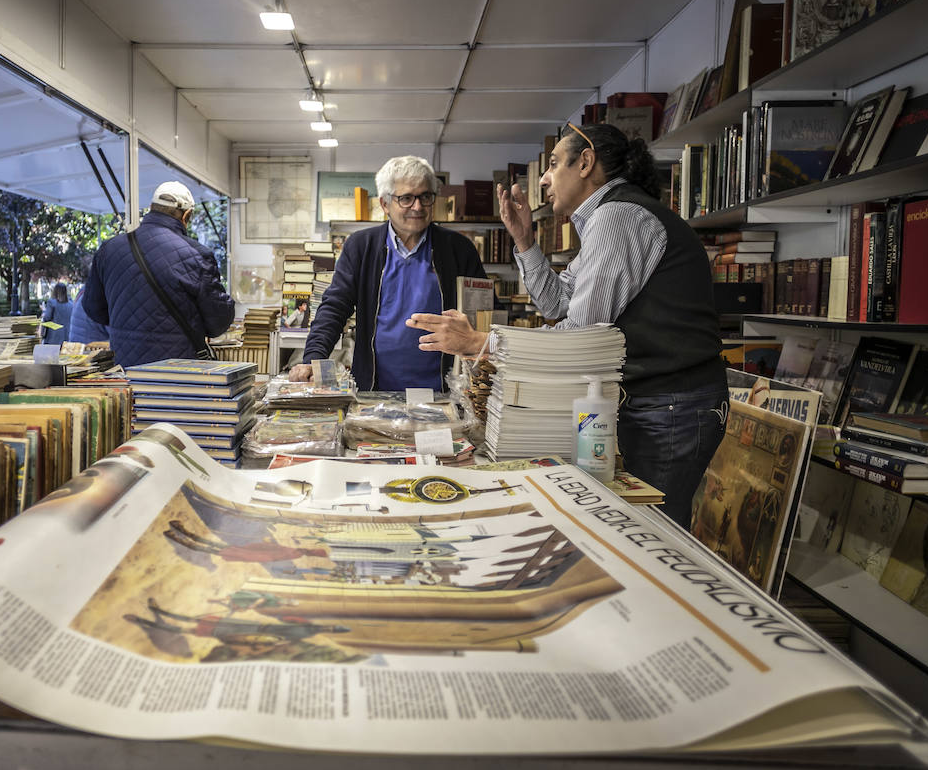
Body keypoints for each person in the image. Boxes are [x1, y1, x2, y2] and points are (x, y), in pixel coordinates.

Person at [408, 123, 728, 529]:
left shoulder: (619, 217)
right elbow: (556, 304)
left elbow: (581, 334)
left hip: (671, 404)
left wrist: (481, 342)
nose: (544, 177)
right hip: (657, 401)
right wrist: (524, 240)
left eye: (555, 163)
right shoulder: (605, 219)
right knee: (638, 523)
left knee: (655, 530)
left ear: (586, 163)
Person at [289, 155, 488, 391]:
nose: (417, 206)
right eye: (406, 198)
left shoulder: (458, 248)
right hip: (375, 390)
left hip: (445, 392)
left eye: (425, 197)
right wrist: (313, 357)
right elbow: (335, 306)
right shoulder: (361, 246)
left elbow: (484, 314)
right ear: (384, 204)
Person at [81, 181, 235, 367]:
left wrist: (128, 325)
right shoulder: (197, 254)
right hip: (179, 370)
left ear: (151, 208)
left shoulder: (109, 250)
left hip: (126, 368)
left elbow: (93, 308)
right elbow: (218, 323)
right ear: (186, 215)